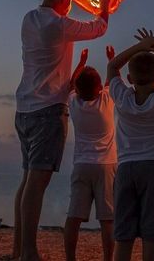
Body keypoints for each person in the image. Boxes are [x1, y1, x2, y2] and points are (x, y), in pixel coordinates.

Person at [13, 0, 110, 261]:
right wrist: (103, 3)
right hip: (47, 111)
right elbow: (99, 27)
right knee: (36, 183)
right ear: (65, 0)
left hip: (24, 109)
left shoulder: (29, 18)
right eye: (70, 1)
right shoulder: (58, 24)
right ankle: (29, 252)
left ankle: (18, 248)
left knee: (27, 180)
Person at [106, 28, 154, 261]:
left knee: (124, 235)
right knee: (151, 235)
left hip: (126, 168)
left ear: (129, 79)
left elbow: (112, 68)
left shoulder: (122, 97)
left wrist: (140, 47)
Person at [64, 45, 117, 261]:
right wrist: (111, 60)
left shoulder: (74, 103)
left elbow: (70, 85)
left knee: (74, 216)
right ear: (98, 88)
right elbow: (112, 79)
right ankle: (107, 259)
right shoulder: (106, 100)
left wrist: (81, 62)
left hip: (82, 165)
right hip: (106, 166)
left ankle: (70, 258)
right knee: (107, 219)